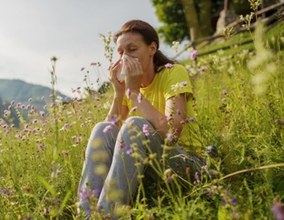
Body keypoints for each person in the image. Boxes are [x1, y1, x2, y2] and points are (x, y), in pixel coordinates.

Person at [77, 20, 204, 219]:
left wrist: (134, 92)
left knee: (135, 125)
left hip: (186, 165)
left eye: (132, 49)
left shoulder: (173, 72)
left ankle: (105, 217)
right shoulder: (130, 86)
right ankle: (86, 215)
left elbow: (172, 133)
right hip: (152, 166)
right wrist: (119, 93)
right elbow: (108, 136)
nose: (125, 57)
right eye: (120, 52)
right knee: (101, 128)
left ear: (152, 48)